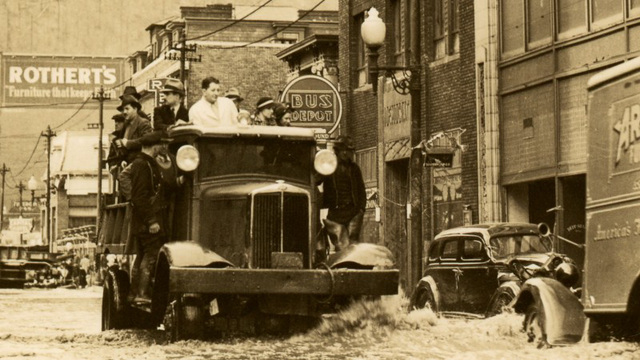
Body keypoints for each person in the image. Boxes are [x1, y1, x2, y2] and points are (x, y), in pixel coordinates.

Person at [128, 131, 171, 305]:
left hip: (143, 219)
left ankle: (134, 293)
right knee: (151, 254)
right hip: (146, 220)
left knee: (142, 255)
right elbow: (139, 196)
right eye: (161, 144)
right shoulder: (142, 165)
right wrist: (152, 221)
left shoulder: (145, 163)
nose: (163, 147)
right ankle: (142, 293)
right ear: (154, 146)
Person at [319, 135, 366, 251]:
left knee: (353, 246)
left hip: (352, 212)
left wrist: (361, 209)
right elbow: (317, 179)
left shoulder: (354, 168)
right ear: (341, 151)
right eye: (347, 151)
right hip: (336, 213)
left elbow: (361, 189)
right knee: (341, 246)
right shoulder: (329, 167)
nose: (348, 154)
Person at [115, 95, 153, 162]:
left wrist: (127, 143)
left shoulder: (143, 123)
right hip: (127, 163)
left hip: (139, 163)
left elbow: (146, 142)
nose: (124, 112)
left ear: (135, 109)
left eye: (127, 109)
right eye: (123, 109)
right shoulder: (126, 124)